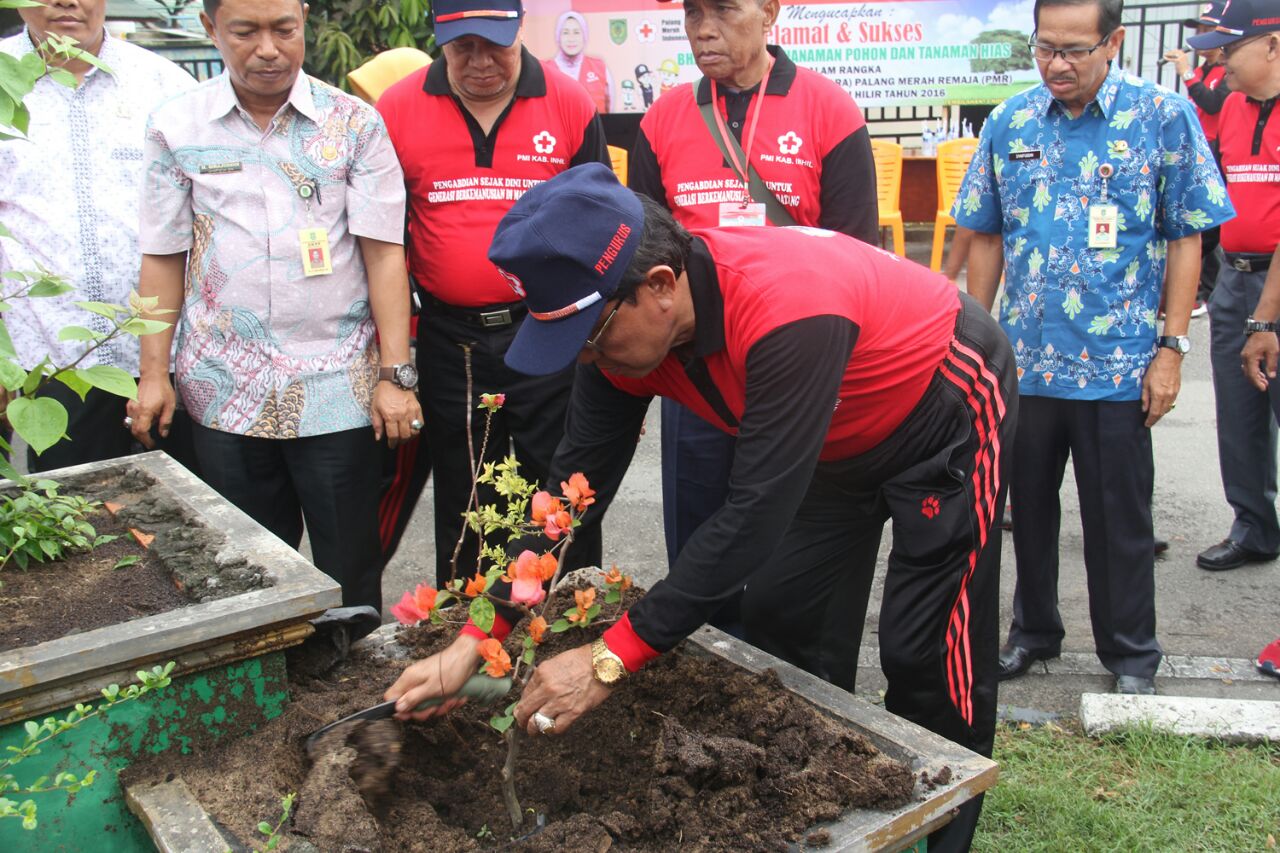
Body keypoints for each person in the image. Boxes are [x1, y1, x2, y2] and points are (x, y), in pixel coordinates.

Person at [386, 163, 1017, 853]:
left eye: (590, 338)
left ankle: (946, 837)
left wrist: (607, 657)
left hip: (943, 407)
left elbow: (750, 517)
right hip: (830, 433)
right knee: (783, 616)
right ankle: (842, 813)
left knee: (924, 648)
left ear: (659, 287)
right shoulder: (626, 341)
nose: (587, 361)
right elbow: (568, 496)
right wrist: (477, 637)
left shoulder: (785, 311)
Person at [953, 0, 1233, 695]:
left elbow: (1186, 237)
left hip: (1118, 367)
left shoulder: (1163, 117)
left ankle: (1132, 652)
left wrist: (1171, 348)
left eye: (1075, 49)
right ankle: (1034, 631)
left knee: (1120, 522)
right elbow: (985, 235)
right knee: (1026, 515)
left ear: (1115, 41)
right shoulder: (1011, 121)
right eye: (1045, 48)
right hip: (1026, 365)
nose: (1057, 64)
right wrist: (974, 345)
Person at [128, 0, 422, 619]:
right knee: (246, 571)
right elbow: (161, 257)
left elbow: (383, 256)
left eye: (284, 29)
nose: (269, 48)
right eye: (246, 31)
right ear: (211, 30)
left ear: (304, 23)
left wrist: (396, 376)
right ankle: (271, 703)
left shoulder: (355, 125)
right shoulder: (176, 127)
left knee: (349, 570)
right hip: (224, 389)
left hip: (337, 388)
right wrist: (154, 373)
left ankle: (352, 698)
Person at [628, 0, 879, 638]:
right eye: (692, 12)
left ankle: (804, 686)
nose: (703, 28)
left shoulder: (828, 109)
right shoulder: (662, 120)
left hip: (798, 369)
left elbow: (856, 254)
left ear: (769, 12)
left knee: (794, 551)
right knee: (699, 538)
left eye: (724, 10)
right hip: (699, 370)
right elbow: (641, 257)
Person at [375, 0, 608, 589]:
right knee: (466, 485)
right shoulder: (398, 109)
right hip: (451, 338)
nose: (479, 62)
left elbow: (603, 226)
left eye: (494, 46)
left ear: (519, 29)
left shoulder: (567, 102)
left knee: (559, 483)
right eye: (462, 48)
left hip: (548, 329)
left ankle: (563, 624)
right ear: (439, 38)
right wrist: (393, 356)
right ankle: (463, 627)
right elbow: (383, 242)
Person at [1, 0, 198, 473]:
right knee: (76, 523)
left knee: (193, 520)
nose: (66, 1)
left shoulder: (166, 86)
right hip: (46, 359)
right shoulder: (5, 81)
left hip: (171, 354)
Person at [1196, 0, 1280, 573]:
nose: (1218, 58)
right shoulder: (1229, 109)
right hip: (1235, 276)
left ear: (1273, 43)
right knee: (1238, 414)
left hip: (1275, 284)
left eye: (1230, 46)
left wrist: (1265, 319)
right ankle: (1254, 526)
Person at [1164, 1, 1230, 313]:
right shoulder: (1203, 71)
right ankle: (1201, 289)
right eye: (1199, 29)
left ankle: (1205, 291)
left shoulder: (1225, 71)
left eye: (1207, 29)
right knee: (1197, 224)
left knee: (1210, 225)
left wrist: (1186, 72)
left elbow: (1214, 103)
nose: (1201, 37)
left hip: (1218, 151)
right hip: (1198, 149)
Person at [541, 10, 612, 114]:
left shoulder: (600, 68)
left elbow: (610, 109)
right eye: (565, 33)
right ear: (558, 36)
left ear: (584, 35)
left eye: (576, 32)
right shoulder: (544, 70)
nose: (571, 38)